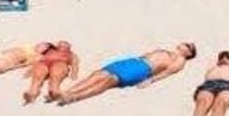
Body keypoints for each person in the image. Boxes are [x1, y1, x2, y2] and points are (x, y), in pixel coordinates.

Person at [58, 43, 197, 105]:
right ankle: (68, 92)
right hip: (134, 61)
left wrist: (150, 81)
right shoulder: (169, 52)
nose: (184, 44)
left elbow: (166, 73)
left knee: (109, 81)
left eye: (188, 46)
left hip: (143, 69)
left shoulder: (180, 60)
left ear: (189, 53)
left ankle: (75, 97)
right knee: (99, 74)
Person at [23, 40, 79, 104]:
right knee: (38, 74)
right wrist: (30, 70)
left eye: (66, 44)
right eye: (61, 44)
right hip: (43, 63)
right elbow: (37, 60)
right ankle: (32, 92)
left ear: (69, 47)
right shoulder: (49, 50)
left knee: (56, 75)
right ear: (57, 46)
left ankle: (54, 90)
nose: (63, 45)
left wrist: (74, 73)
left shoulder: (71, 54)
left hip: (60, 63)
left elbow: (75, 64)